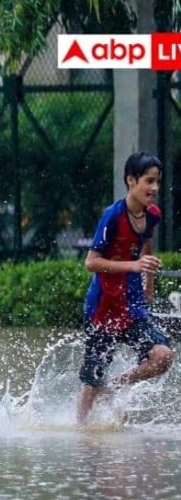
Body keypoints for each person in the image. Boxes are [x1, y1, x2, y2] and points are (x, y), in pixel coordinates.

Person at [78, 152, 174, 423]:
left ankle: (117, 386)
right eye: (148, 181)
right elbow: (91, 263)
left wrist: (149, 285)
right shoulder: (112, 216)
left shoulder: (152, 214)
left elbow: (146, 243)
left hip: (133, 305)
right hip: (103, 306)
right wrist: (133, 266)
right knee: (93, 380)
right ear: (131, 181)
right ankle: (80, 433)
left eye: (158, 182)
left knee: (162, 356)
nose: (154, 188)